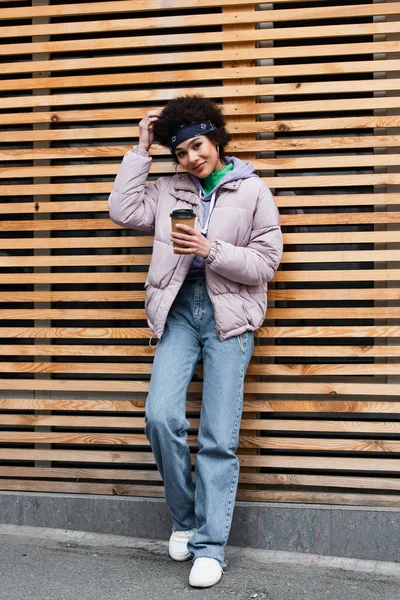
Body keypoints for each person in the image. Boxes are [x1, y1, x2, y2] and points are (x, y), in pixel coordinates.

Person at [108, 95, 283, 588]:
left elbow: (266, 262)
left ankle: (211, 546)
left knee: (217, 436)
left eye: (198, 146)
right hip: (179, 309)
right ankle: (185, 518)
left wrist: (212, 249)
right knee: (161, 416)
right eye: (180, 152)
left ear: (217, 139)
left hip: (230, 314)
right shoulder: (168, 189)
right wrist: (142, 149)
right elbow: (122, 209)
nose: (191, 158)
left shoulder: (251, 190)